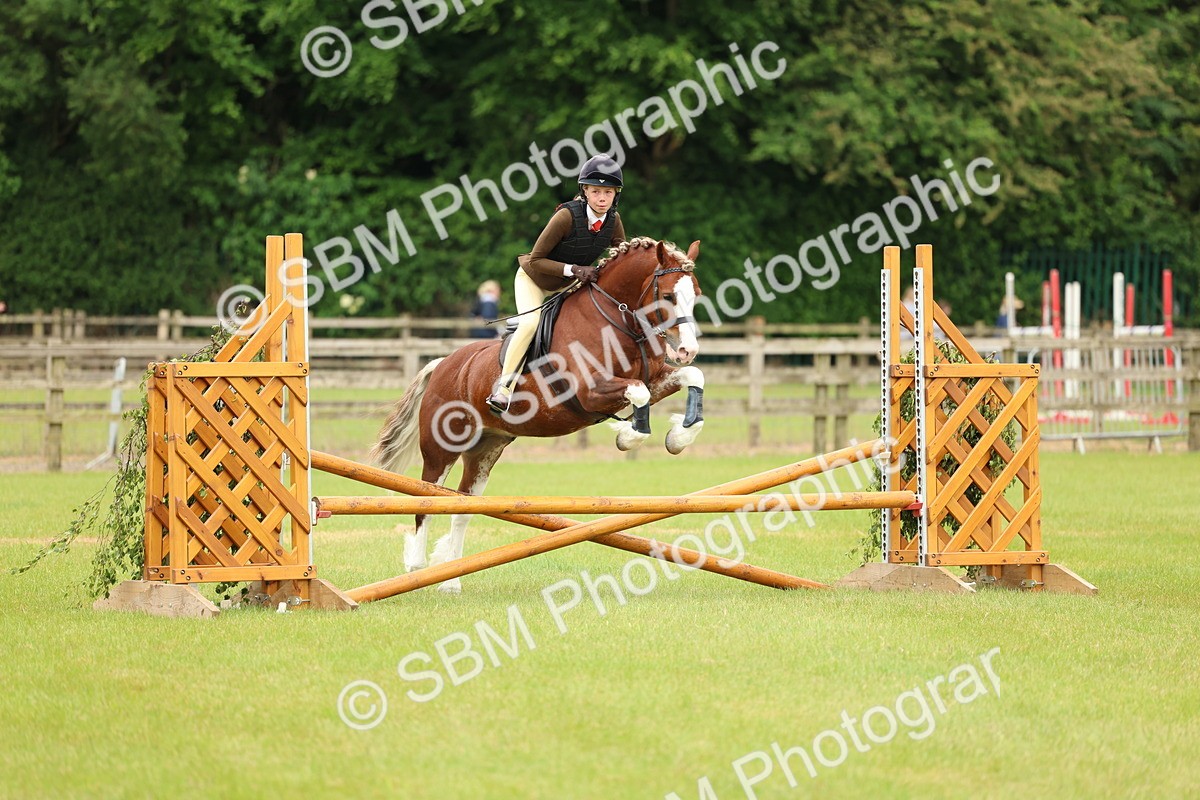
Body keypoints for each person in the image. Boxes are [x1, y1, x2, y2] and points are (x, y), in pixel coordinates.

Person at [485, 154, 627, 414]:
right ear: (585, 191)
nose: (602, 198)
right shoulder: (566, 217)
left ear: (615, 194)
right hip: (535, 279)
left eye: (608, 192)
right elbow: (536, 260)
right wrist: (575, 269)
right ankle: (503, 389)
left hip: (569, 285)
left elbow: (621, 259)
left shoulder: (613, 221)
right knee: (530, 324)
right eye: (596, 191)